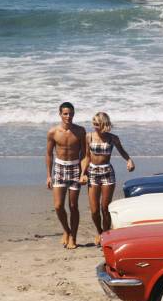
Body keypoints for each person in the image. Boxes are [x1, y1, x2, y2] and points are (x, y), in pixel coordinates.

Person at [81, 112, 135, 246]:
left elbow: (122, 151)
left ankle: (106, 234)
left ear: (103, 124)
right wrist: (83, 173)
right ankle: (99, 232)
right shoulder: (89, 137)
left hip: (107, 172)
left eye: (97, 124)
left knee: (104, 208)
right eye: (93, 123)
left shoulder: (113, 138)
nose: (94, 126)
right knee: (94, 210)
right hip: (93, 172)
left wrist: (129, 160)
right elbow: (87, 156)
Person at [46, 102, 87, 250]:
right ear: (60, 114)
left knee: (73, 206)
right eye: (65, 113)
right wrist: (49, 175)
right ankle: (66, 230)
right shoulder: (53, 132)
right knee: (58, 206)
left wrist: (83, 173)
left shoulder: (80, 131)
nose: (68, 116)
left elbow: (85, 154)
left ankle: (73, 237)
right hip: (59, 168)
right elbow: (49, 154)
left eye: (70, 113)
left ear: (74, 114)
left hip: (75, 168)